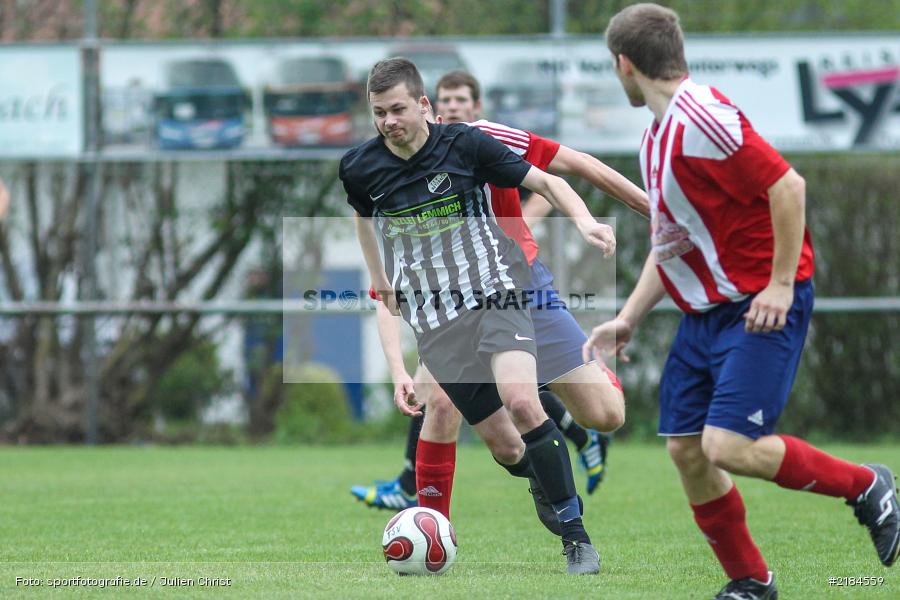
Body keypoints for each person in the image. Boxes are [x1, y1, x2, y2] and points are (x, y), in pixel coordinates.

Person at [583, 4, 899, 597]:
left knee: (730, 447)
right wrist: (627, 318)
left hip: (759, 305)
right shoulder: (658, 134)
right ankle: (751, 582)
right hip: (706, 316)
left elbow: (788, 185)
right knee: (686, 450)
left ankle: (866, 486)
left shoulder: (703, 115)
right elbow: (671, 241)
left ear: (624, 65)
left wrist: (780, 284)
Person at [341, 57, 617, 574]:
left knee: (521, 400)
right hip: (437, 318)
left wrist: (584, 220)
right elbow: (364, 220)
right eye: (379, 113)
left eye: (398, 109)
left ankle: (577, 541)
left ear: (424, 105)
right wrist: (380, 279)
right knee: (507, 447)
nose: (388, 122)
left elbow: (549, 182)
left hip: (499, 291)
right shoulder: (360, 166)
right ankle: (538, 475)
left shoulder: (465, 144)